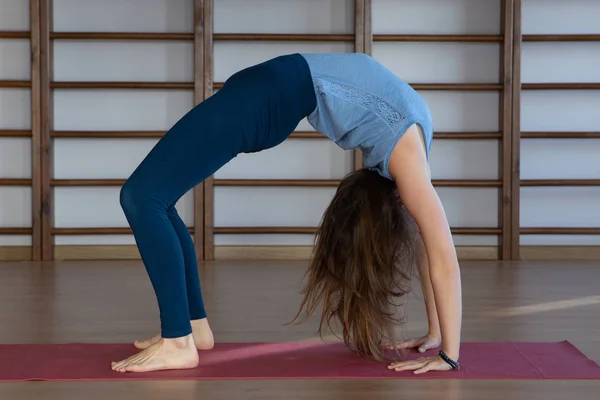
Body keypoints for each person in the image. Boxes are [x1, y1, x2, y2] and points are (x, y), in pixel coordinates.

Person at [111, 53, 462, 375]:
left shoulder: (412, 153)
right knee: (158, 199)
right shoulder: (410, 165)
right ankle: (192, 325)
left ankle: (178, 341)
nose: (416, 217)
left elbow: (440, 257)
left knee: (142, 198)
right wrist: (436, 334)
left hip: (270, 93)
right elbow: (431, 250)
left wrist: (448, 352)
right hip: (271, 92)